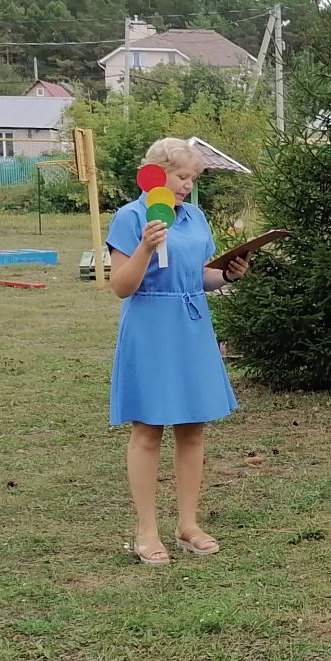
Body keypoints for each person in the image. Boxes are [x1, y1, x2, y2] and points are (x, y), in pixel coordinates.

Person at [106, 137, 245, 564]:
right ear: (157, 173)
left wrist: (228, 275)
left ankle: (188, 525)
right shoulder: (130, 217)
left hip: (191, 325)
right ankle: (146, 531)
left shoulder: (195, 217)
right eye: (182, 176)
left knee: (193, 428)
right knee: (148, 429)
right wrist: (146, 246)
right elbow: (121, 286)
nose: (188, 185)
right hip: (149, 327)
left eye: (193, 178)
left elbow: (197, 276)